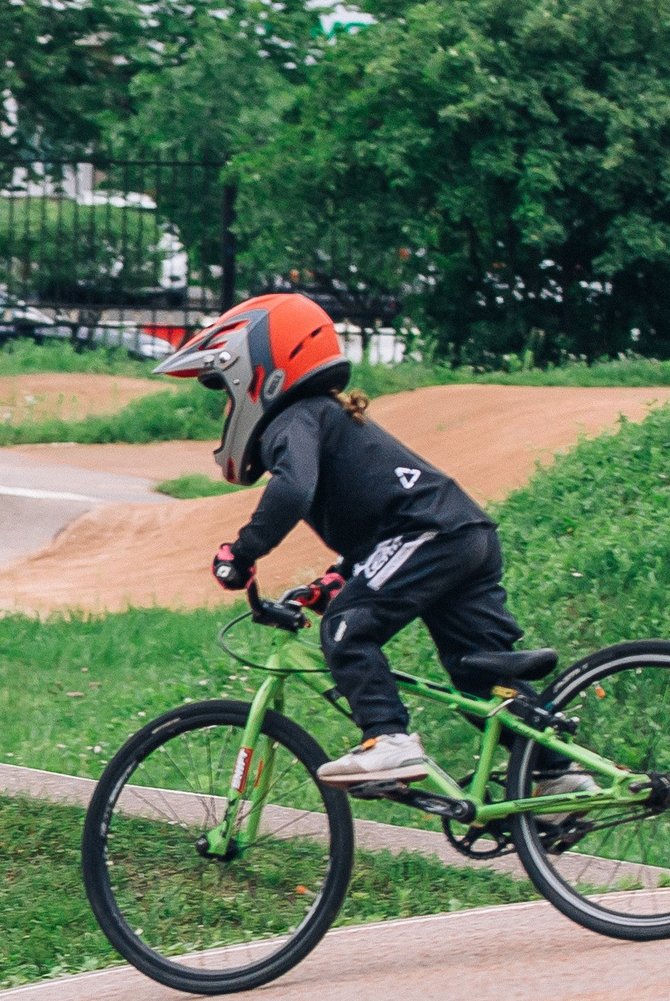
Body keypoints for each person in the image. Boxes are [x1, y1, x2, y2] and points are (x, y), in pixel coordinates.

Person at [161, 293, 578, 791]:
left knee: (347, 626)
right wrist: (336, 579)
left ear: (259, 373)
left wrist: (244, 551)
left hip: (427, 533)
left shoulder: (294, 419)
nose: (229, 408)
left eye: (228, 393)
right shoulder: (324, 417)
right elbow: (375, 519)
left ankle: (388, 739)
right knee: (476, 678)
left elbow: (293, 491)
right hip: (460, 534)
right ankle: (559, 776)